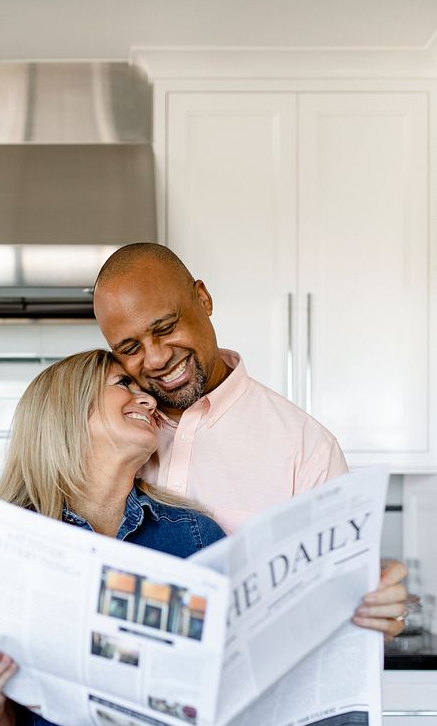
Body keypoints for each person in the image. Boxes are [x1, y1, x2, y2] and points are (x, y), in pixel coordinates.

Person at [0, 349, 225, 726]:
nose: (148, 399)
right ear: (67, 412)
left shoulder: (197, 536)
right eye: (124, 385)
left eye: (145, 390)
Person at [92, 242, 407, 640]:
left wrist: (377, 610)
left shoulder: (307, 449)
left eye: (166, 327)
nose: (154, 359)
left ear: (203, 299)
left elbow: (343, 611)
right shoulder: (109, 433)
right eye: (131, 348)